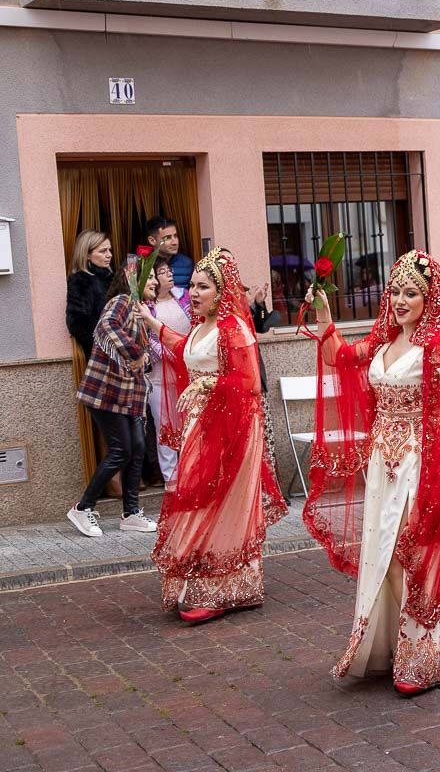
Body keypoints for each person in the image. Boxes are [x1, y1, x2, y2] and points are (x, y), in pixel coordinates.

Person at [301, 250, 440, 696]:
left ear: (430, 298)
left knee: (412, 549)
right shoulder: (383, 342)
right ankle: (389, 647)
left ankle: (427, 653)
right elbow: (340, 358)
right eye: (396, 291)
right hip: (383, 465)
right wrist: (325, 315)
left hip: (421, 465)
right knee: (383, 551)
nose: (400, 300)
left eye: (411, 293)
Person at [138, 248, 288, 624]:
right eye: (193, 285)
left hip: (233, 428)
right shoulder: (202, 326)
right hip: (202, 424)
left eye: (203, 286)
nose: (196, 292)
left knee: (222, 502)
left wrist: (209, 389)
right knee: (201, 498)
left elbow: (249, 382)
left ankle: (222, 588)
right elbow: (183, 349)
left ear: (222, 292)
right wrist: (150, 321)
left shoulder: (233, 329)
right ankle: (223, 583)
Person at [68, 257, 159, 537]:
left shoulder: (142, 310)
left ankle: (131, 513)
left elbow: (145, 358)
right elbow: (106, 326)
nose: (155, 281)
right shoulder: (122, 301)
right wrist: (136, 353)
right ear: (136, 281)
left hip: (130, 395)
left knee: (137, 449)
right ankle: (82, 508)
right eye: (150, 277)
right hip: (106, 392)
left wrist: (142, 360)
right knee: (121, 450)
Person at [145, 257, 192, 483]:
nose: (169, 275)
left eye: (169, 271)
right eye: (162, 272)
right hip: (159, 374)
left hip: (189, 372)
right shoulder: (147, 307)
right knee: (165, 425)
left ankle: (191, 474)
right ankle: (171, 478)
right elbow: (147, 339)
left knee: (189, 423)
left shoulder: (185, 298)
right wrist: (174, 354)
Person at [65, 230, 115, 357]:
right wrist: (103, 344)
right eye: (103, 251)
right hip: (102, 351)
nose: (109, 255)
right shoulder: (81, 281)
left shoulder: (112, 278)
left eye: (109, 250)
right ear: (87, 254)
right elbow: (77, 322)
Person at [145, 216, 193, 291]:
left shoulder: (187, 263)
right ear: (152, 241)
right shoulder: (144, 264)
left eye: (175, 236)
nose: (175, 242)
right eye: (167, 238)